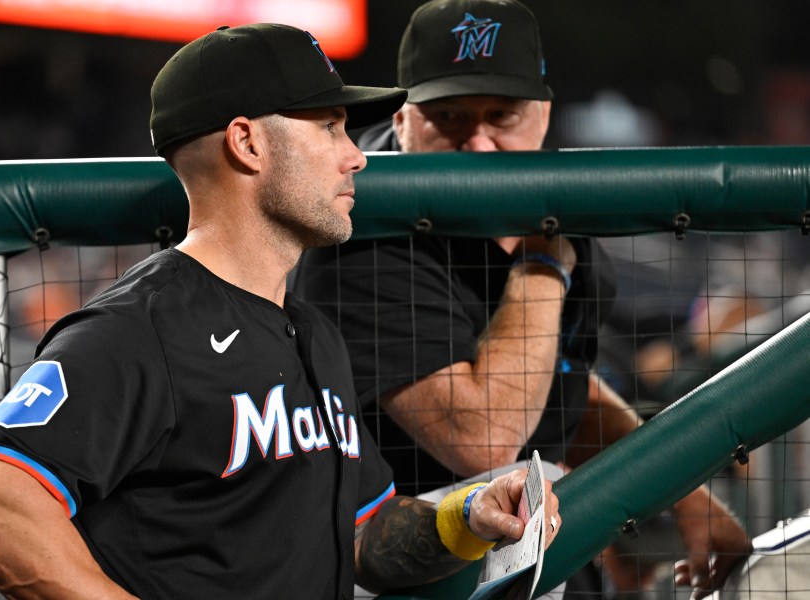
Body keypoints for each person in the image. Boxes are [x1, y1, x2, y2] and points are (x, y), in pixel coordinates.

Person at [0, 23, 562, 599]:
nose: (356, 155)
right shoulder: (139, 327)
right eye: (330, 127)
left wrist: (473, 513)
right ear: (248, 142)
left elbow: (366, 538)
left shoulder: (314, 332)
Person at [293, 1, 750, 598]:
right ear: (403, 120)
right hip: (391, 568)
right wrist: (543, 261)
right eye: (449, 117)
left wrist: (684, 492)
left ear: (541, 115)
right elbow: (481, 438)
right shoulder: (362, 228)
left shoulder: (553, 201)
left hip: (526, 548)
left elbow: (564, 383)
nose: (479, 145)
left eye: (501, 116)